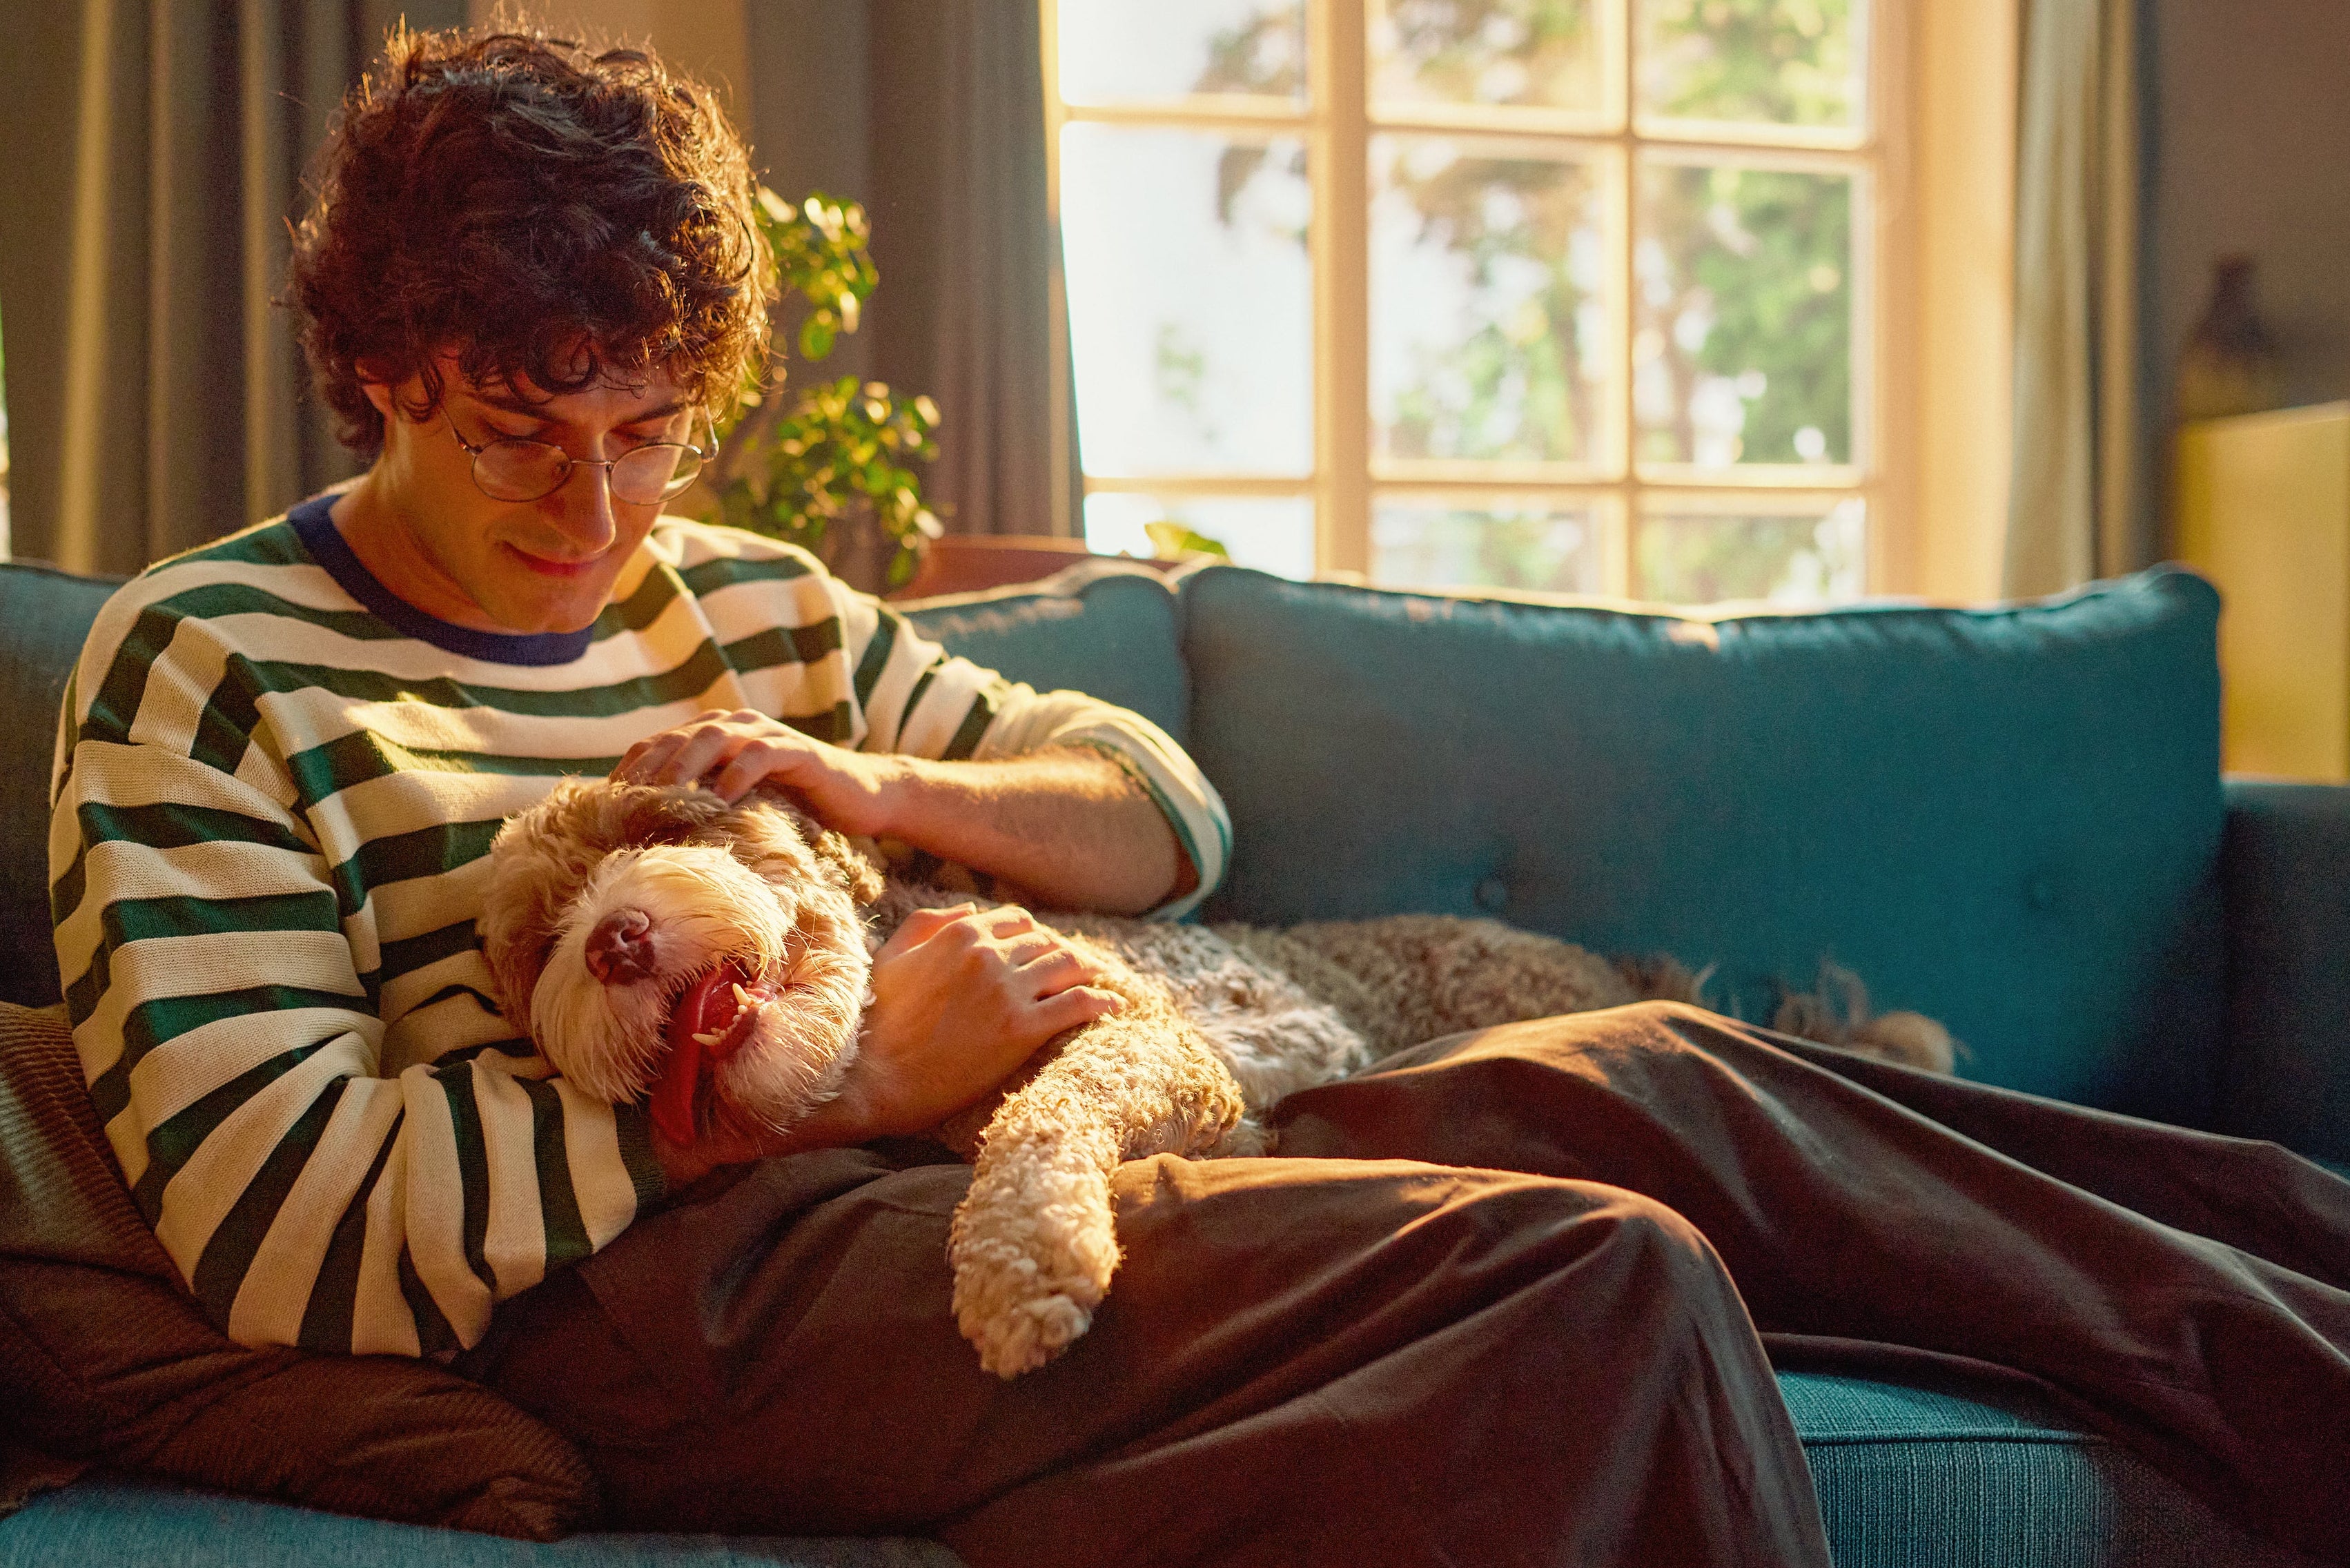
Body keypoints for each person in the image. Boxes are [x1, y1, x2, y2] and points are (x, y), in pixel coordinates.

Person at [48, 25, 2349, 1568]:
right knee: (1596, 1291)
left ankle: (2310, 1349)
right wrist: (835, 1093)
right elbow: (284, 1231)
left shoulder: (736, 601)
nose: (591, 505)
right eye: (511, 433)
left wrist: (861, 769)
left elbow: (1162, 813)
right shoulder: (213, 663)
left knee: (1676, 1080)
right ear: (373, 368)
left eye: (646, 429)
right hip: (663, 1284)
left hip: (984, 1144)